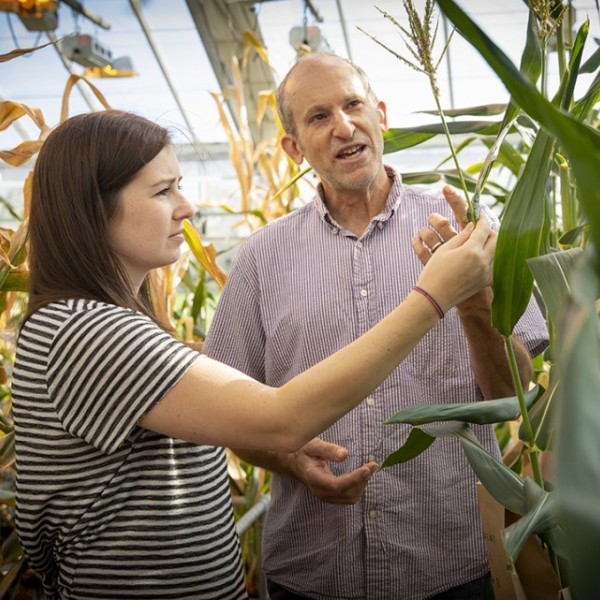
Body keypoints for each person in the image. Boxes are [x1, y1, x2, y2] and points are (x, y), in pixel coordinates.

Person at [10, 109, 495, 600]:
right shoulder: (89, 333)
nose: (186, 207)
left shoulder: (97, 325)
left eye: (179, 185)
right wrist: (432, 297)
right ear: (93, 208)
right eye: (162, 191)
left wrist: (287, 455)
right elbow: (281, 419)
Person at [202, 53, 549, 599]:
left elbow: (513, 393)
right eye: (318, 117)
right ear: (294, 147)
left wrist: (474, 303)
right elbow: (230, 414)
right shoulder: (261, 258)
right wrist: (289, 458)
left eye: (353, 104)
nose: (343, 126)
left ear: (380, 115)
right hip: (310, 573)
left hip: (444, 568)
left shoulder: (465, 229)